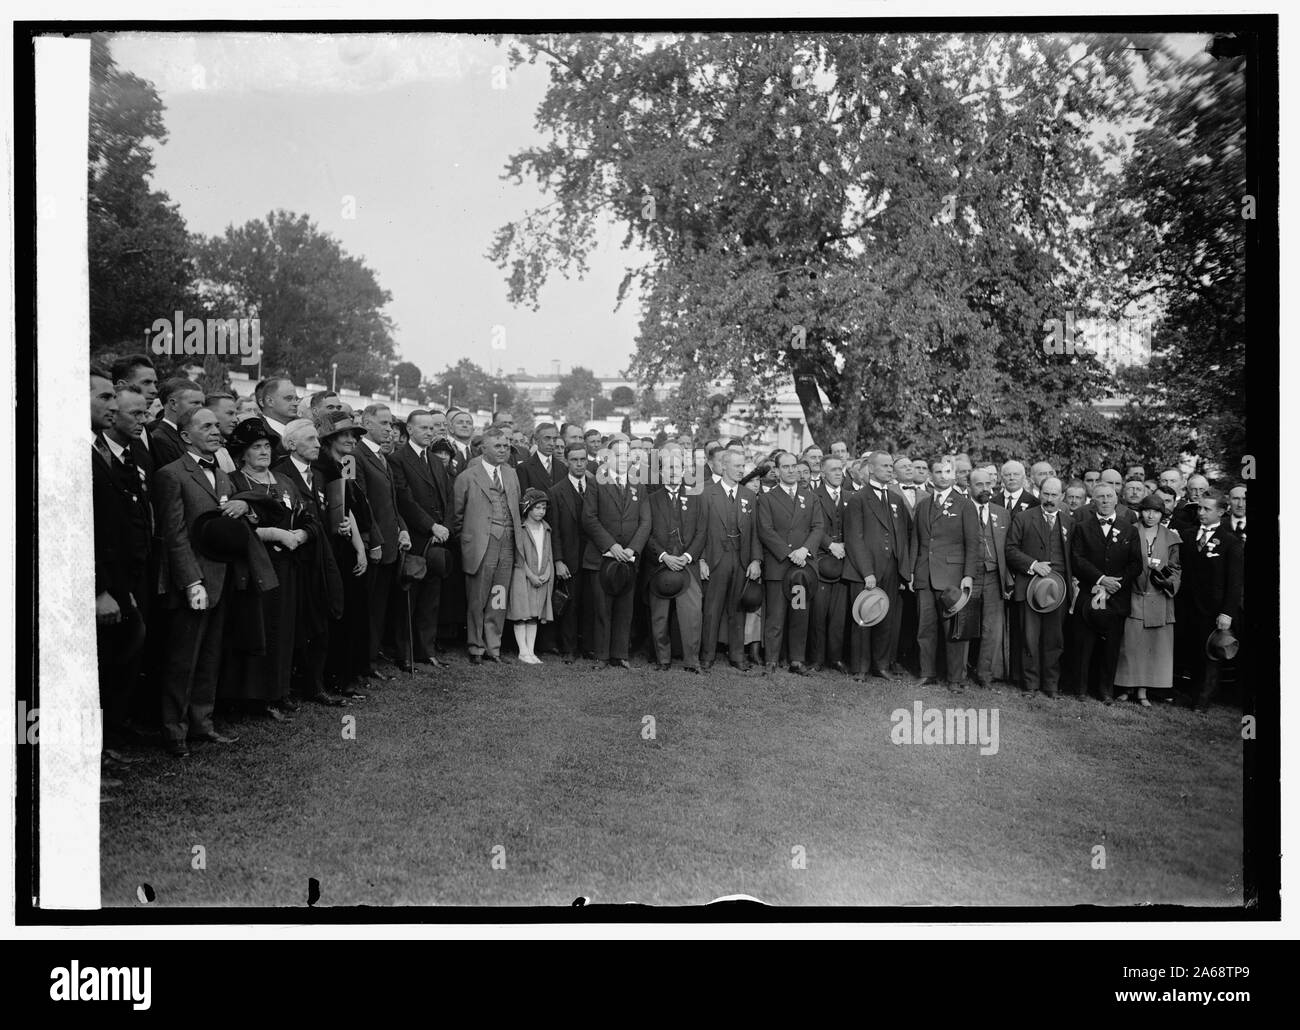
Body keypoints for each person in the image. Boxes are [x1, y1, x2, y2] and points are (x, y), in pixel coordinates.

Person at [154, 407, 270, 755]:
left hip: (222, 579)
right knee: (183, 659)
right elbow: (173, 535)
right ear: (186, 436)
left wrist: (243, 510)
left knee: (209, 656)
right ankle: (174, 731)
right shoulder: (170, 475)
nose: (216, 431)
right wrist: (191, 582)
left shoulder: (222, 474)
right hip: (193, 582)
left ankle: (203, 724)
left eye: (217, 426)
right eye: (206, 426)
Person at [218, 417, 311, 720]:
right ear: (242, 453)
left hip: (286, 567)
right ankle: (250, 698)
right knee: (253, 628)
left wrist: (301, 534)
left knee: (281, 629)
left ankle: (277, 692)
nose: (263, 452)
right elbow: (228, 529)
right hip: (251, 566)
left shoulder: (285, 482)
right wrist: (271, 534)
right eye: (255, 447)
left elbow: (306, 517)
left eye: (267, 446)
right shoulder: (231, 481)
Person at [273, 417, 346, 706]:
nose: (318, 444)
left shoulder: (316, 474)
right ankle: (292, 687)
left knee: (320, 621)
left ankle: (314, 685)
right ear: (291, 444)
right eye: (311, 440)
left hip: (319, 554)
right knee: (296, 625)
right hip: (294, 560)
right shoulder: (280, 472)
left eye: (317, 439)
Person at [313, 412, 374, 699]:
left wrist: (360, 547)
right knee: (338, 613)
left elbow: (350, 506)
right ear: (329, 438)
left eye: (355, 435)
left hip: (349, 545)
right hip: (331, 548)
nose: (352, 440)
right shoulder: (321, 467)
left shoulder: (345, 464)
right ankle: (336, 677)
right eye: (345, 434)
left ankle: (350, 672)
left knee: (355, 611)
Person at [391, 409, 454, 671]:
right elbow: (405, 500)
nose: (430, 432)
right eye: (424, 428)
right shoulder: (398, 459)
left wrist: (446, 528)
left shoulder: (436, 461)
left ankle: (426, 650)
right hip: (416, 539)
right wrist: (431, 526)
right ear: (410, 429)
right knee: (410, 598)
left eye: (432, 428)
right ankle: (404, 653)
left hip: (438, 541)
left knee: (431, 598)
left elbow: (449, 498)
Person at [453, 427, 523, 664]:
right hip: (481, 544)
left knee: (499, 597)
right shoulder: (467, 476)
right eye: (498, 446)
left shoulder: (511, 474)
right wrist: (468, 540)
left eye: (506, 446)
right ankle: (475, 647)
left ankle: (494, 647)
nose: (503, 450)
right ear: (483, 448)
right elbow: (457, 516)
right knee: (478, 598)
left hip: (508, 541)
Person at [1070, 483, 1143, 705]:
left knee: (1110, 646)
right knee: (1084, 644)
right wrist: (1101, 580)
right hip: (1088, 594)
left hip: (1116, 597)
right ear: (1093, 501)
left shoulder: (1129, 529)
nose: (1104, 500)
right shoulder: (1082, 527)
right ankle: (1081, 689)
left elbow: (1136, 563)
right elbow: (1077, 559)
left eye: (1109, 497)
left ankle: (1105, 690)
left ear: (1116, 500)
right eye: (1100, 497)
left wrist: (1116, 584)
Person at [582, 438, 651, 668]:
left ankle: (620, 654)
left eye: (626, 455)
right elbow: (589, 518)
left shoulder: (638, 483)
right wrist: (612, 546)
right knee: (602, 608)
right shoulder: (596, 483)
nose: (623, 459)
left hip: (629, 559)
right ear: (608, 457)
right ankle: (601, 655)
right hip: (602, 558)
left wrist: (632, 549)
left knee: (625, 608)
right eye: (618, 455)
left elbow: (645, 521)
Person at [911, 456, 979, 689]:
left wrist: (968, 574)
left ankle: (955, 678)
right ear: (930, 476)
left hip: (952, 575)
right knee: (924, 627)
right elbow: (916, 542)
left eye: (946, 471)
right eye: (938, 472)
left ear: (953, 474)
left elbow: (973, 543)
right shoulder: (922, 505)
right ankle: (927, 672)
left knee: (954, 629)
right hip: (924, 575)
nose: (942, 475)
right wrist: (912, 572)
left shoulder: (965, 504)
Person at [1005, 476, 1075, 698]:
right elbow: (1010, 549)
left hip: (1059, 591)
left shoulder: (1069, 523)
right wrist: (1033, 565)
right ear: (1039, 493)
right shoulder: (1023, 518)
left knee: (1055, 639)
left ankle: (1051, 685)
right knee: (1030, 637)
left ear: (1062, 497)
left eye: (1055, 495)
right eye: (1046, 494)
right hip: (1029, 588)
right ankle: (1030, 684)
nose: (1049, 499)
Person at [845, 450, 912, 680]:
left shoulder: (895, 500)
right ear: (871, 468)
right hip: (867, 570)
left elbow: (904, 534)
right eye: (884, 466)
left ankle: (881, 664)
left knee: (887, 617)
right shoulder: (858, 499)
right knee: (863, 616)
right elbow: (854, 539)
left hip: (892, 567)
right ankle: (860, 667)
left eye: (891, 466)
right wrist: (867, 572)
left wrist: (904, 569)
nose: (889, 469)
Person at [756, 450, 824, 674]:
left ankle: (796, 660)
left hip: (801, 569)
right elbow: (765, 530)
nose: (791, 470)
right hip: (779, 566)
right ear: (776, 471)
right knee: (775, 614)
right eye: (786, 467)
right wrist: (788, 553)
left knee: (799, 611)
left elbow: (817, 527)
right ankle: (772, 660)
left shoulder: (810, 497)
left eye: (794, 466)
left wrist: (804, 551)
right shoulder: (767, 498)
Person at [356, 404, 411, 677]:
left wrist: (401, 528)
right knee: (369, 609)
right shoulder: (356, 455)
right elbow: (361, 503)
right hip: (374, 546)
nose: (390, 429)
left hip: (390, 544)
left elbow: (390, 502)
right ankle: (365, 662)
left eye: (391, 424)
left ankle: (372, 659)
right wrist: (374, 542)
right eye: (385, 423)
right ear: (367, 423)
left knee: (380, 607)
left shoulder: (381, 456)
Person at [1176, 488, 1244, 711]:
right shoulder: (1187, 535)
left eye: (1207, 509)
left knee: (1210, 654)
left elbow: (1234, 582)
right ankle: (1189, 692)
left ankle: (1203, 699)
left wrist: (1227, 613)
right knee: (1191, 649)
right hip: (1187, 605)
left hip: (1213, 610)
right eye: (1200, 508)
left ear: (1222, 512)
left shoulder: (1230, 542)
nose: (1201, 513)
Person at [1114, 494, 1182, 707]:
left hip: (1158, 599)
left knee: (1152, 646)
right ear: (1140, 511)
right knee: (1131, 645)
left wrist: (1168, 581)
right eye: (1146, 510)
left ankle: (1143, 691)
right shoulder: (1130, 530)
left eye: (1156, 511)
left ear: (1163, 514)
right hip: (1133, 595)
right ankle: (1126, 688)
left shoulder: (1170, 537)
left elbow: (1176, 567)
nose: (1150, 515)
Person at [699, 449, 762, 670]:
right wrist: (702, 559)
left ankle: (737, 655)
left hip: (742, 559)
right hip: (717, 559)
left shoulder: (749, 496)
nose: (741, 470)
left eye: (742, 466)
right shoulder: (707, 493)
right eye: (737, 466)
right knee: (712, 608)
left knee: (738, 609)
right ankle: (707, 654)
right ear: (724, 467)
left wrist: (755, 560)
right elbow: (701, 530)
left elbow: (755, 531)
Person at [645, 445, 706, 672]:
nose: (672, 472)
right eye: (668, 468)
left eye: (677, 467)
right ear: (661, 472)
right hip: (660, 565)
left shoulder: (695, 496)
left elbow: (702, 531)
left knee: (692, 614)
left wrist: (688, 556)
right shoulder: (651, 498)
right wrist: (663, 556)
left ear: (684, 471)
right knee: (659, 615)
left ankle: (692, 661)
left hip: (687, 565)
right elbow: (646, 532)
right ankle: (663, 660)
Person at [548, 441, 596, 662]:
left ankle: (589, 645)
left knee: (591, 602)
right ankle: (568, 648)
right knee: (570, 603)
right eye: (574, 460)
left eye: (583, 460)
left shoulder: (597, 485)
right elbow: (555, 529)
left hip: (593, 557)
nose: (579, 464)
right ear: (566, 461)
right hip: (569, 557)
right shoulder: (556, 491)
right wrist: (558, 560)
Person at [967, 467, 1013, 687]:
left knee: (991, 628)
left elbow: (1009, 549)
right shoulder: (962, 509)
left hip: (994, 577)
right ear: (969, 487)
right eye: (979, 485)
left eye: (988, 484)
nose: (985, 489)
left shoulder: (1001, 512)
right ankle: (959, 672)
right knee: (964, 623)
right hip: (968, 575)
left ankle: (985, 675)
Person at [809, 455, 851, 673]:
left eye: (840, 469)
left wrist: (845, 545)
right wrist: (829, 544)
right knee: (819, 612)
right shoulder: (812, 495)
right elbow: (811, 526)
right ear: (823, 473)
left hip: (844, 562)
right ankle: (817, 658)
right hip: (820, 561)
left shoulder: (850, 497)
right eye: (833, 469)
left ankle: (835, 658)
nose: (838, 473)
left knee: (838, 614)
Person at [509, 488, 555, 663]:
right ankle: (523, 651)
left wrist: (548, 572)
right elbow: (519, 556)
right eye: (537, 508)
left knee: (534, 614)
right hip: (524, 576)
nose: (541, 511)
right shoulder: (521, 528)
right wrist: (530, 575)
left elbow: (549, 552)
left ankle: (531, 650)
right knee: (522, 613)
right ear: (527, 508)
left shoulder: (546, 528)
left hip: (541, 575)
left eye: (543, 508)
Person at [148, 378, 204, 468]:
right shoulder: (159, 440)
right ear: (173, 404)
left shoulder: (193, 435)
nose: (201, 408)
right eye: (195, 403)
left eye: (202, 404)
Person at [255, 376, 300, 459]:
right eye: (289, 398)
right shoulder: (255, 432)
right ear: (269, 401)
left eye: (296, 399)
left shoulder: (304, 428)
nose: (295, 403)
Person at [517, 421, 567, 494]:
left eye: (554, 439)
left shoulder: (563, 467)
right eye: (547, 439)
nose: (551, 443)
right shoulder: (524, 468)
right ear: (536, 440)